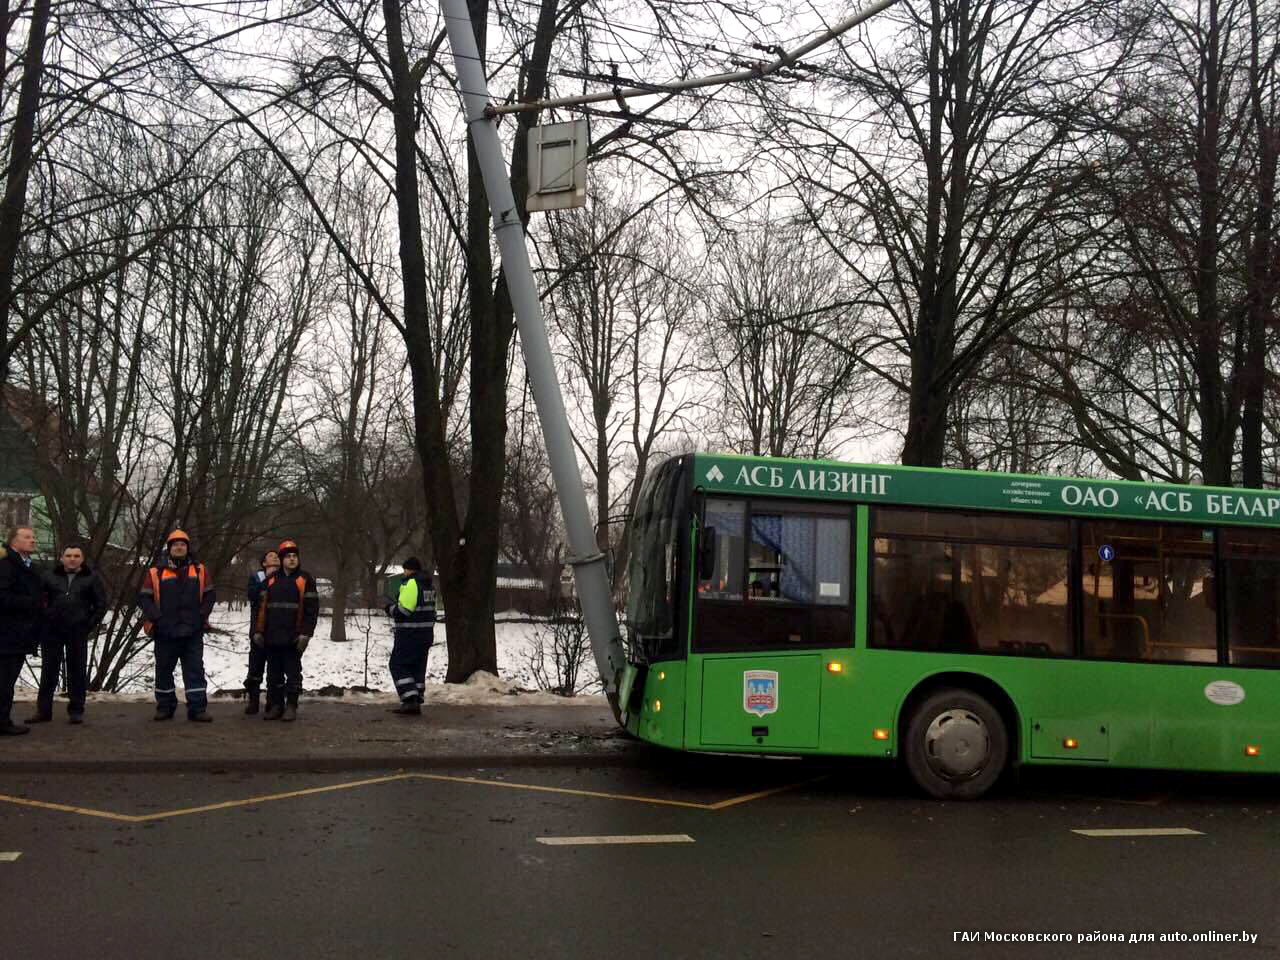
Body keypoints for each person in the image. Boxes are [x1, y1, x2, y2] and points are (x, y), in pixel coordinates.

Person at [137, 529, 215, 722]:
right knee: (163, 669)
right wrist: (158, 619)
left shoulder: (200, 570)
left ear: (188, 548)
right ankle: (165, 706)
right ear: (169, 548)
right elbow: (145, 599)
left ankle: (197, 709)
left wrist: (201, 616)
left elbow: (210, 595)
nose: (179, 547)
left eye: (183, 544)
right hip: (165, 631)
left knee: (195, 669)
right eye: (175, 545)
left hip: (192, 630)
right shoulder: (155, 572)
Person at [27, 543, 106, 725]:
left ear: (82, 559)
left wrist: (88, 624)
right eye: (68, 555)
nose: (72, 559)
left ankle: (76, 710)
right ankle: (43, 711)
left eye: (76, 556)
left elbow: (101, 604)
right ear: (62, 558)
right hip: (52, 630)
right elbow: (39, 601)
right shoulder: (49, 576)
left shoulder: (91, 578)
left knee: (77, 671)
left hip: (77, 631)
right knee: (49, 671)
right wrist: (44, 619)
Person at [252, 540, 317, 722]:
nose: (292, 559)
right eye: (288, 556)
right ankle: (276, 706)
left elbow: (312, 610)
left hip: (293, 638)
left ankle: (291, 706)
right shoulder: (270, 580)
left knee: (293, 674)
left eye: (294, 556)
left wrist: (306, 633)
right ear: (281, 559)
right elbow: (261, 607)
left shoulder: (305, 580)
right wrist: (258, 630)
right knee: (273, 675)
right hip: (271, 637)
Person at [0, 526, 45, 736]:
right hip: (6, 633)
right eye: (27, 537)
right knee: (4, 680)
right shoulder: (6, 566)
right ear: (13, 543)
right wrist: (31, 603)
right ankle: (2, 722)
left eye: (34, 536)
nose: (33, 540)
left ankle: (3, 718)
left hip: (19, 633)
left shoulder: (29, 566)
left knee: (7, 680)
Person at [386, 556, 436, 716]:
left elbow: (404, 611)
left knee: (397, 664)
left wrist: (390, 609)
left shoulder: (412, 583)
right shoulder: (428, 585)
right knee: (417, 667)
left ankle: (409, 700)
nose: (403, 573)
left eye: (404, 569)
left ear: (409, 569)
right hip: (426, 634)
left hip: (409, 634)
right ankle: (416, 700)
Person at [243, 549, 280, 715]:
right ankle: (253, 700)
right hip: (258, 629)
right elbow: (252, 595)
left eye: (277, 556)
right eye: (271, 556)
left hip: (277, 630)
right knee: (255, 668)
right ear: (264, 563)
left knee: (275, 668)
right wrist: (268, 579)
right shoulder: (256, 577)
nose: (275, 558)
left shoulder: (285, 578)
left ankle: (272, 702)